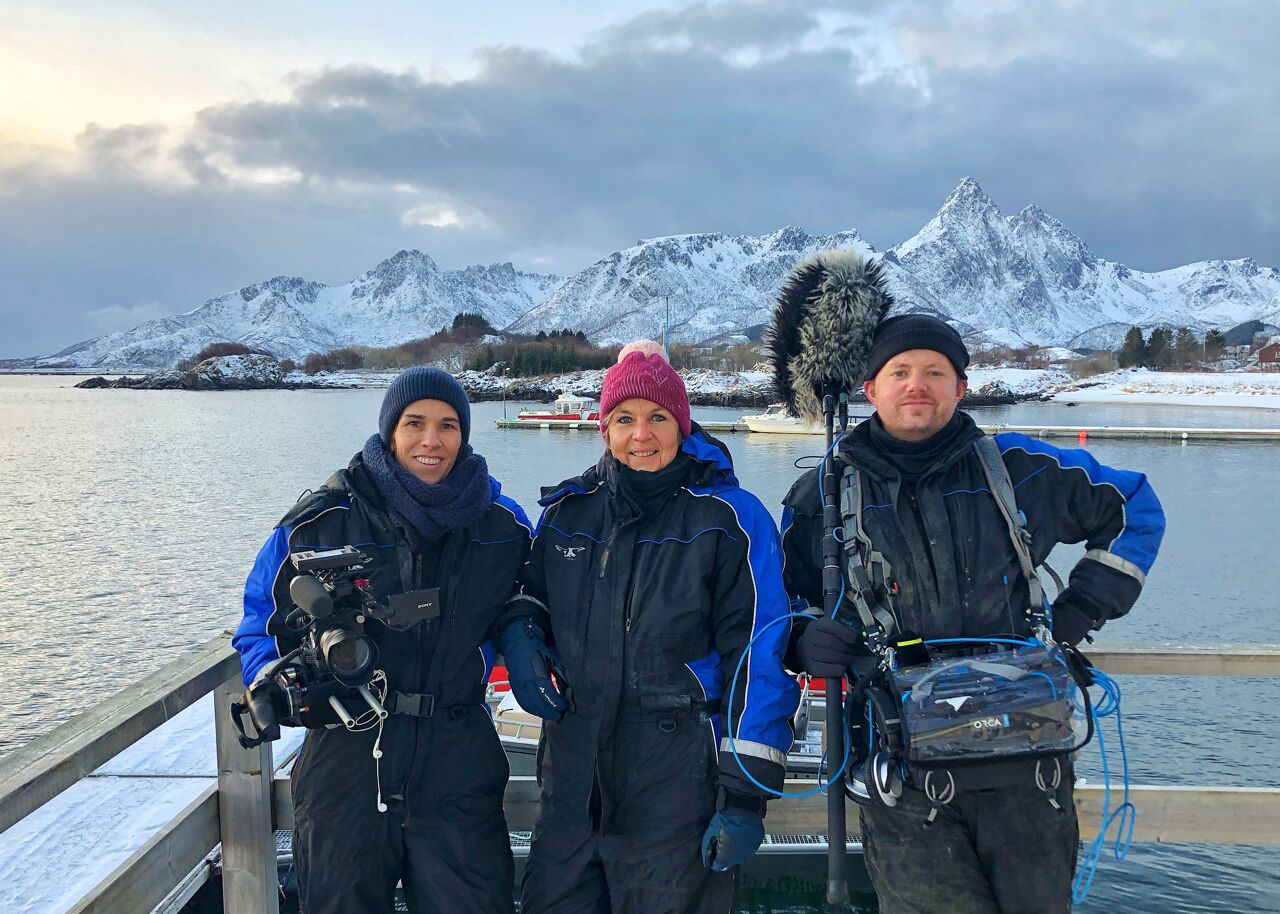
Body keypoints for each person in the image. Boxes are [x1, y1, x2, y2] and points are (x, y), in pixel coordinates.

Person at [782, 314, 1165, 914]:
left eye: (935, 372)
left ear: (961, 388)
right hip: (901, 771)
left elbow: (1133, 506)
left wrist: (1082, 608)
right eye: (899, 372)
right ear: (870, 388)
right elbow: (778, 602)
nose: (917, 385)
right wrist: (803, 641)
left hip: (1028, 765)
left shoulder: (1019, 468)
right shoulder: (822, 495)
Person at [507, 341, 800, 914]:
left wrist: (744, 794)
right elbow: (529, 596)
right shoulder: (567, 514)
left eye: (657, 418)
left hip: (676, 784)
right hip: (572, 779)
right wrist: (522, 635)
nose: (641, 435)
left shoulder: (729, 520)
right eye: (624, 419)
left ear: (681, 425)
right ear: (605, 428)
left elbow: (763, 656)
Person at [232, 367, 535, 914]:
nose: (431, 440)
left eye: (447, 425)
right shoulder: (318, 523)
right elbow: (260, 625)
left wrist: (513, 643)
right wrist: (276, 679)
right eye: (414, 422)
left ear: (463, 435)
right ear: (390, 430)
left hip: (457, 752)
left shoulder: (502, 526)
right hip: (346, 756)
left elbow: (529, 603)